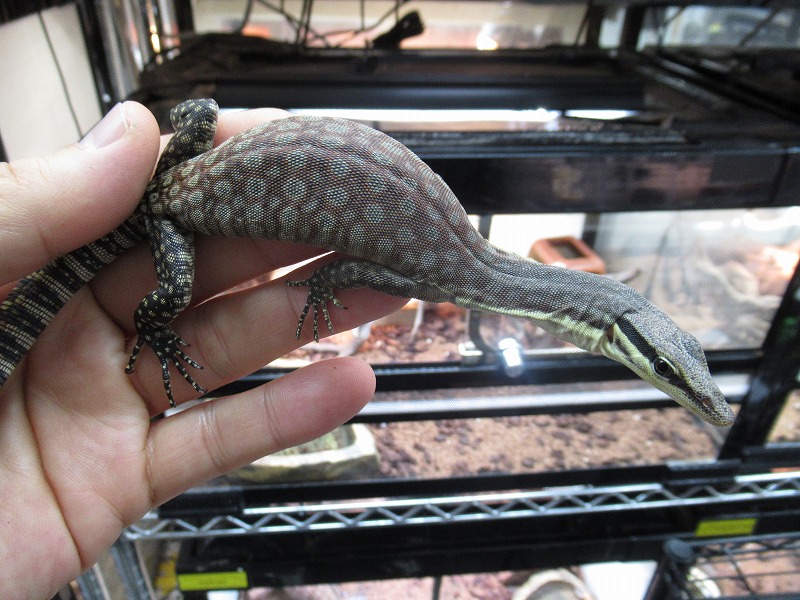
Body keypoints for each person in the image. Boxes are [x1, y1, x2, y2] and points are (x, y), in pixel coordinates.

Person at [0, 101, 407, 599]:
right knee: (174, 291)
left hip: (177, 189)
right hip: (164, 211)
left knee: (205, 113)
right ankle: (152, 325)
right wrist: (154, 330)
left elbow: (199, 112)